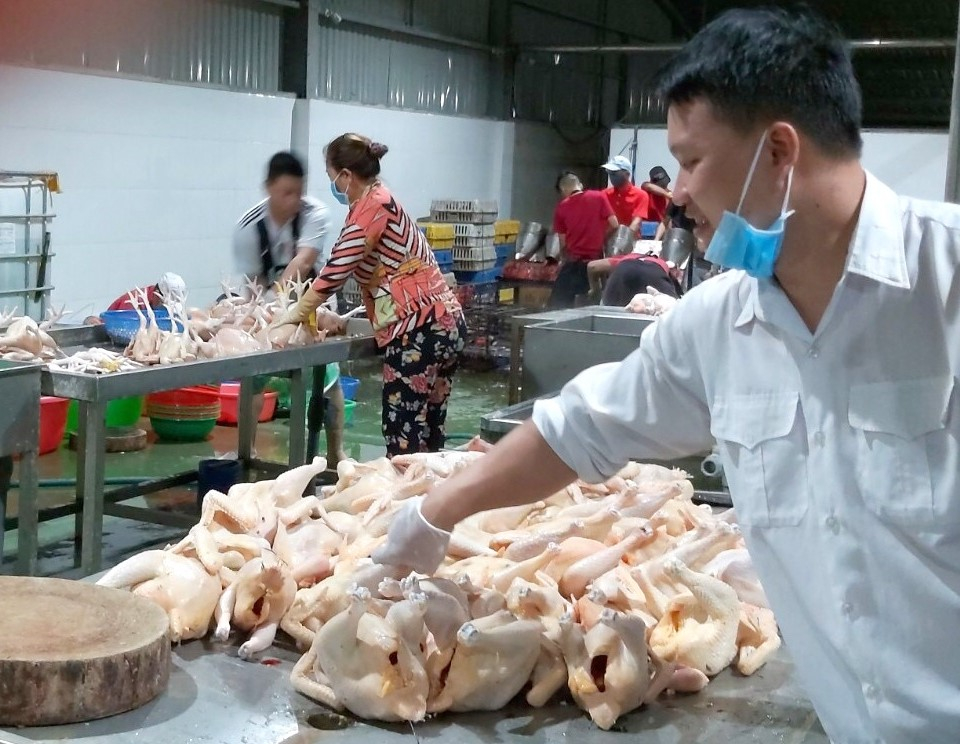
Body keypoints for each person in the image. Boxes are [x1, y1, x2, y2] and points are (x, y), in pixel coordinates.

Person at [373, 7, 960, 744]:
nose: (675, 193)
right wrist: (434, 515)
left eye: (692, 160)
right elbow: (577, 430)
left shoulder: (948, 286)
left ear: (779, 152)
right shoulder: (718, 327)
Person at [272, 133, 467, 457]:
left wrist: (291, 315)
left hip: (419, 333)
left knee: (402, 431)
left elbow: (335, 272)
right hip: (444, 323)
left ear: (346, 176)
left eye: (331, 176)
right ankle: (432, 500)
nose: (332, 184)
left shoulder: (371, 208)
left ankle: (407, 502)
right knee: (430, 430)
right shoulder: (382, 199)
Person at [233, 151, 347, 467]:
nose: (293, 200)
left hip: (313, 306)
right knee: (252, 375)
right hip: (267, 305)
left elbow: (304, 261)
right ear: (268, 187)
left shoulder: (315, 214)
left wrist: (283, 308)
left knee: (327, 378)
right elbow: (252, 283)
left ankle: (336, 452)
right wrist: (261, 313)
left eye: (299, 192)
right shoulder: (248, 227)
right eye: (286, 193)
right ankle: (248, 452)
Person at [549, 171, 618, 308]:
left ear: (563, 189)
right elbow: (615, 224)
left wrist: (562, 261)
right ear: (579, 185)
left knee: (558, 306)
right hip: (596, 263)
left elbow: (563, 244)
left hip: (574, 263)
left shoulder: (562, 207)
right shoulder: (599, 197)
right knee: (593, 304)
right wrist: (602, 238)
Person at [85, 272, 187, 324]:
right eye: (166, 304)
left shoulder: (157, 304)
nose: (168, 309)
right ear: (156, 294)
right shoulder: (133, 304)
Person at [586, 252, 682, 307]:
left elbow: (592, 266)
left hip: (624, 269)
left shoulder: (624, 258)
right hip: (655, 272)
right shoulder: (663, 263)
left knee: (607, 311)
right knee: (671, 310)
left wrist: (594, 290)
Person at [601, 154, 650, 235]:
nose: (611, 176)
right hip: (607, 240)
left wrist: (623, 239)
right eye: (609, 173)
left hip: (630, 240)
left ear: (627, 174)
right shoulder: (604, 194)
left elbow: (636, 222)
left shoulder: (641, 195)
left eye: (614, 173)